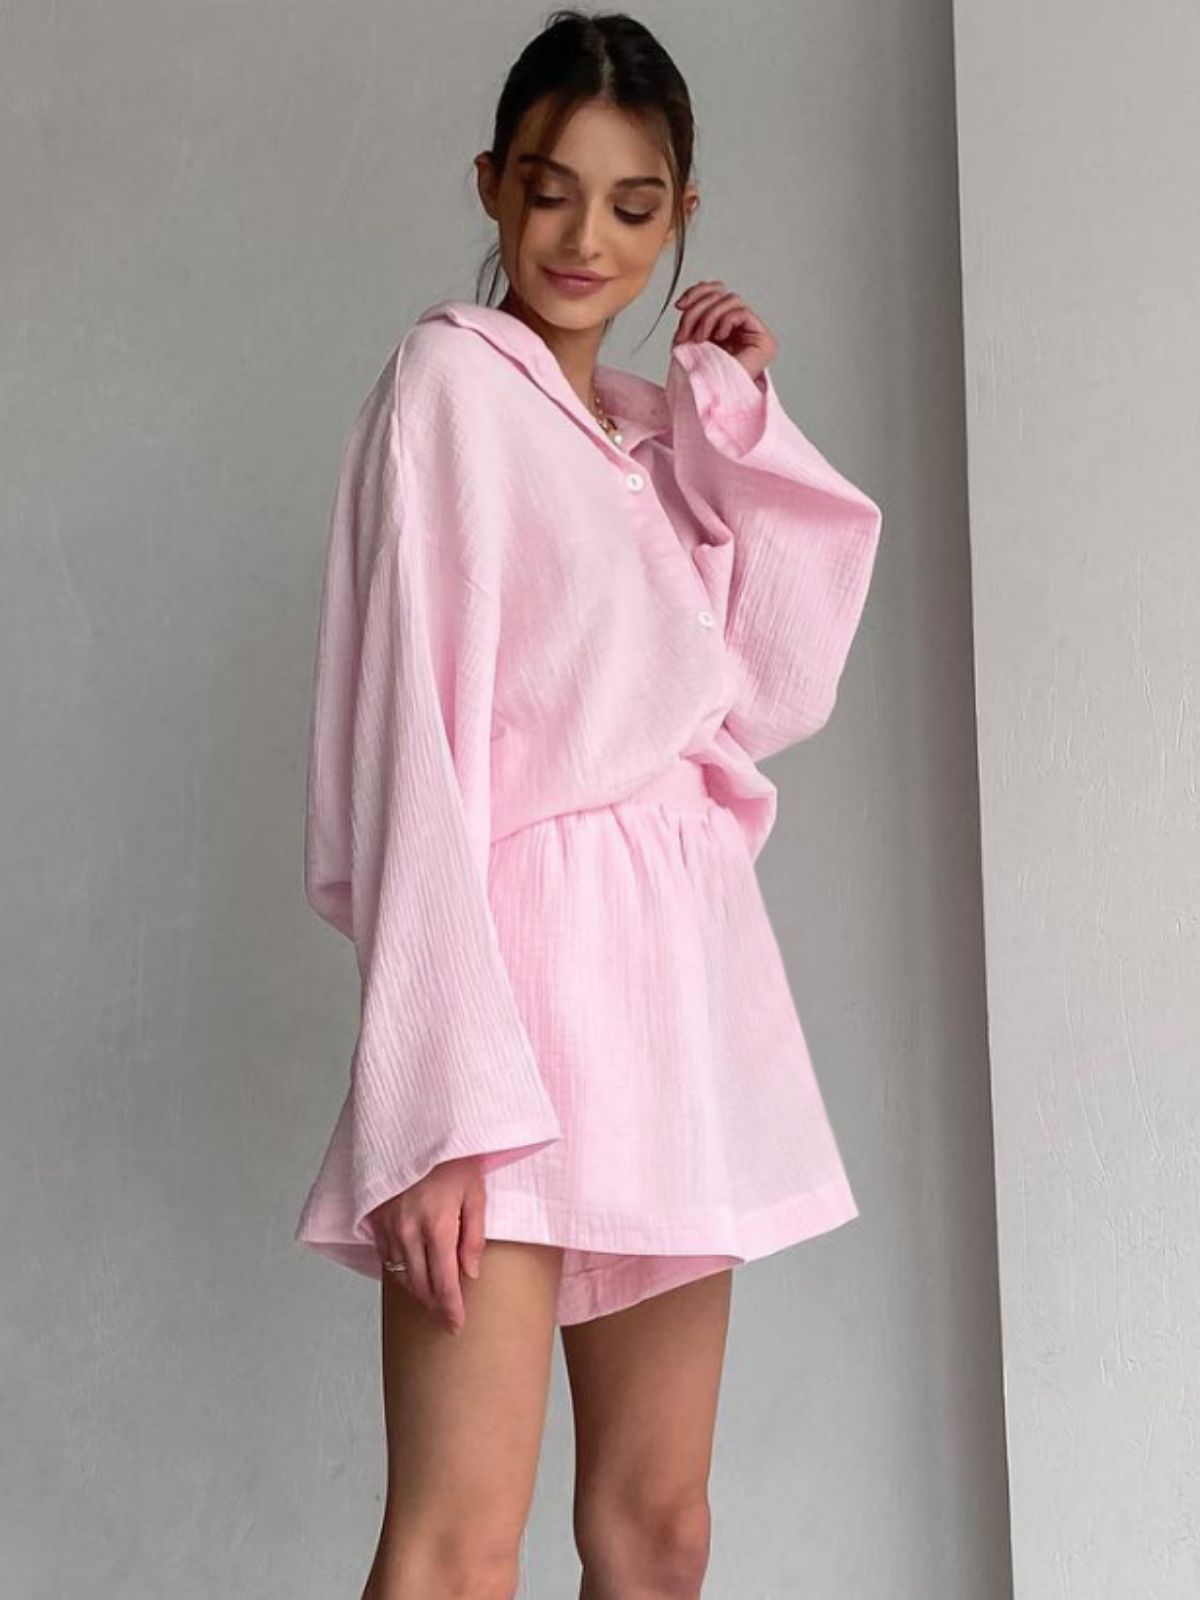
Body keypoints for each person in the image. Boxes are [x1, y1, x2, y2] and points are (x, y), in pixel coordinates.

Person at [294, 10, 883, 1598]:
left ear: (682, 214)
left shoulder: (643, 432)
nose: (584, 240)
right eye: (550, 192)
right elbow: (413, 743)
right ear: (493, 184)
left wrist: (735, 422)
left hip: (676, 997)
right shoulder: (448, 388)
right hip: (514, 999)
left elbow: (771, 689)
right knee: (456, 1545)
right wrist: (437, 1100)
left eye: (632, 206)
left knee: (659, 1531)